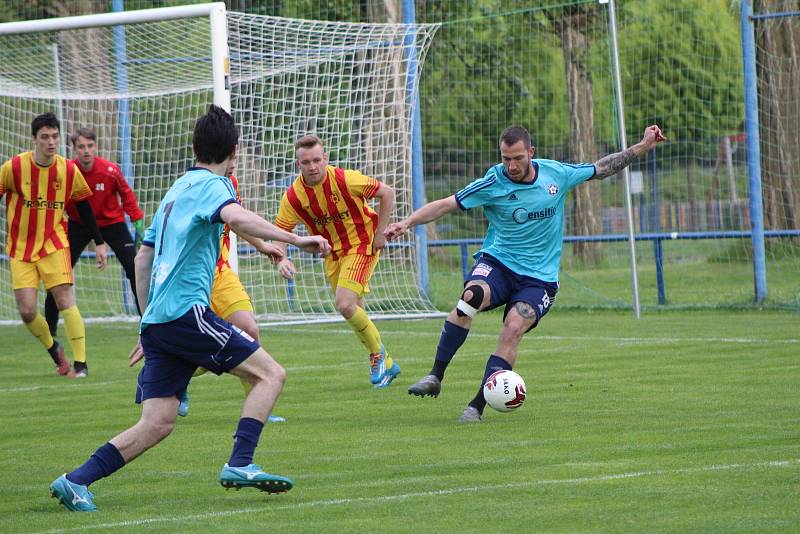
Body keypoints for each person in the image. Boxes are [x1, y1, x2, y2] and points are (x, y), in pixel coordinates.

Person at [50, 105, 330, 512]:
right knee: (271, 374)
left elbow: (142, 260)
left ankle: (75, 480)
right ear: (233, 152)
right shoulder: (215, 187)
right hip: (187, 313)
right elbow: (235, 217)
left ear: (195, 147)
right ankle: (241, 462)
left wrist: (148, 322)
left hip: (160, 321)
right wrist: (298, 239)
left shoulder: (175, 190)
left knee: (157, 422)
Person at [385, 125, 667, 422]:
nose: (511, 165)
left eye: (517, 158)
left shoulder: (555, 174)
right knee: (471, 295)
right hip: (499, 263)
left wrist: (641, 147)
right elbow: (446, 205)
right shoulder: (494, 181)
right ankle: (435, 376)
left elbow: (601, 168)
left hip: (539, 279)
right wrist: (407, 223)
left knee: (513, 328)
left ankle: (476, 406)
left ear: (531, 152)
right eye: (506, 158)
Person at [272, 135, 399, 388]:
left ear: (325, 159)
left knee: (344, 303)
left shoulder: (345, 179)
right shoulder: (294, 197)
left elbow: (387, 192)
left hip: (362, 244)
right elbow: (280, 231)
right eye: (306, 162)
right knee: (355, 310)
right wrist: (281, 259)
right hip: (332, 254)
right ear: (298, 164)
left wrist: (379, 235)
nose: (312, 166)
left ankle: (377, 355)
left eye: (317, 160)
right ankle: (388, 363)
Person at [0, 112, 108, 378]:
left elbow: (83, 205)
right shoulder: (14, 167)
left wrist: (100, 241)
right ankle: (53, 347)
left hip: (54, 244)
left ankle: (81, 364)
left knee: (64, 299)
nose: (51, 142)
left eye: (55, 137)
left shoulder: (68, 169)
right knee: (26, 312)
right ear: (34, 139)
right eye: (45, 137)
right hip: (21, 249)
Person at [178, 173, 286, 423]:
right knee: (205, 340)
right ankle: (178, 376)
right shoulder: (192, 186)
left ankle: (256, 406)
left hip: (221, 272)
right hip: (194, 275)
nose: (234, 160)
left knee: (249, 330)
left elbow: (236, 222)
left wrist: (261, 245)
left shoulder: (231, 183)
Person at [43, 127, 145, 377]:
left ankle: (147, 323)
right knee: (57, 279)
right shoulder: (68, 172)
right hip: (78, 225)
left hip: (112, 224)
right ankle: (50, 332)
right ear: (74, 150)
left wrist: (138, 221)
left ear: (95, 147)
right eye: (81, 147)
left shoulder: (109, 170)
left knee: (136, 269)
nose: (86, 151)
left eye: (90, 146)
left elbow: (127, 195)